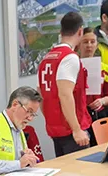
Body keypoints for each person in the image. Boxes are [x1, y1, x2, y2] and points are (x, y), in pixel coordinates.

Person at [38, 12, 93, 157]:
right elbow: (65, 94)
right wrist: (76, 129)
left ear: (61, 32)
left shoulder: (47, 58)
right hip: (70, 130)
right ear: (80, 31)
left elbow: (41, 94)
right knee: (81, 174)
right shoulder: (69, 57)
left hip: (56, 128)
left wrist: (51, 119)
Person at [79, 28, 108, 122]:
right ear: (79, 44)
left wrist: (101, 101)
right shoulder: (73, 67)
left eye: (92, 42)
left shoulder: (104, 69)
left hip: (98, 116)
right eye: (85, 42)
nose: (89, 45)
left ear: (97, 45)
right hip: (79, 116)